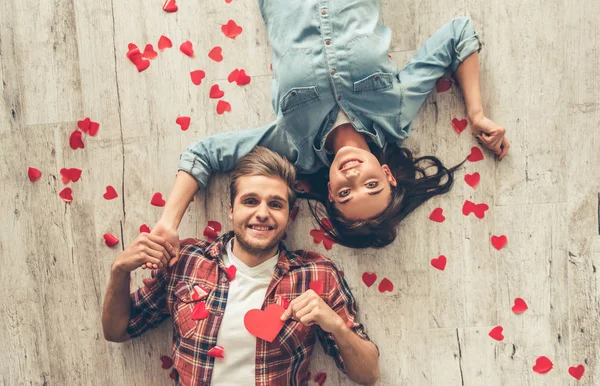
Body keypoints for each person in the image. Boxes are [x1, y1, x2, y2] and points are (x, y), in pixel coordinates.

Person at [152, 4, 511, 251]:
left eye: (344, 194)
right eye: (370, 185)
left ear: (330, 192)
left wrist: (168, 224)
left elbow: (203, 154)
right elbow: (458, 33)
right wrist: (476, 114)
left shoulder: (291, 146)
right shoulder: (395, 114)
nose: (352, 176)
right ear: (387, 174)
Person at [102, 147, 380, 386]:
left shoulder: (316, 274)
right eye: (250, 201)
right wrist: (119, 271)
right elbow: (117, 331)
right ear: (231, 209)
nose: (262, 213)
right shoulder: (186, 261)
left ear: (288, 216)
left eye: (275, 204)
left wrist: (337, 327)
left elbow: (368, 373)